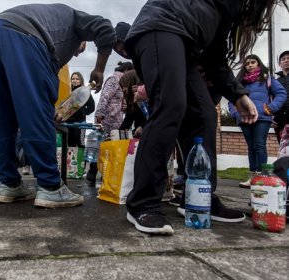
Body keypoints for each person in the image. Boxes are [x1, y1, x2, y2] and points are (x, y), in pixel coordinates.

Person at [115, 0, 288, 235]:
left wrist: (238, 95)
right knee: (171, 105)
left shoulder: (229, 10)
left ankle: (198, 197)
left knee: (204, 115)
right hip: (158, 27)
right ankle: (142, 203)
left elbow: (215, 57)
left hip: (187, 47)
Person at [0, 3, 116, 207]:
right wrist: (99, 69)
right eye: (79, 50)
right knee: (37, 116)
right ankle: (50, 187)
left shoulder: (50, 20)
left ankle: (10, 185)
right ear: (82, 39)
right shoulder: (75, 19)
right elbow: (106, 28)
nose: (76, 54)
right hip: (22, 35)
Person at [229, 54, 287, 188]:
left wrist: (270, 108)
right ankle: (253, 177)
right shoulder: (239, 82)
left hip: (262, 118)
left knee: (259, 145)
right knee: (251, 147)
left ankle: (262, 177)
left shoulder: (268, 79)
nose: (249, 65)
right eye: (247, 63)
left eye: (253, 62)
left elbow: (281, 94)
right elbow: (232, 99)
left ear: (259, 64)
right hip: (244, 118)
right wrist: (236, 113)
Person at [86, 61, 134, 184]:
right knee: (101, 145)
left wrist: (124, 107)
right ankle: (92, 173)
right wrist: (100, 113)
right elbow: (105, 97)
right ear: (126, 70)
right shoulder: (114, 79)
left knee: (109, 146)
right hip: (107, 118)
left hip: (117, 118)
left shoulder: (123, 81)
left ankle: (105, 174)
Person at [66, 71, 95, 148]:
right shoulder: (68, 92)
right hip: (67, 122)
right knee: (69, 143)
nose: (74, 80)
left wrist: (83, 112)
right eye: (73, 79)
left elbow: (92, 107)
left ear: (81, 80)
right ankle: (69, 160)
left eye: (77, 79)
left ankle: (80, 160)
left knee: (80, 143)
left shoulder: (86, 92)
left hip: (80, 122)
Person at [118, 69, 146, 138]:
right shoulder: (132, 102)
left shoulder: (145, 97)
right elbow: (127, 120)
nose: (123, 89)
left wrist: (143, 127)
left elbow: (153, 114)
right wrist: (117, 135)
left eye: (124, 85)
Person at [273, 50, 289, 142]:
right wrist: (271, 117)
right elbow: (270, 100)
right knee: (283, 148)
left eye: (288, 58)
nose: (286, 60)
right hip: (279, 119)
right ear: (280, 64)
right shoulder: (275, 81)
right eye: (283, 59)